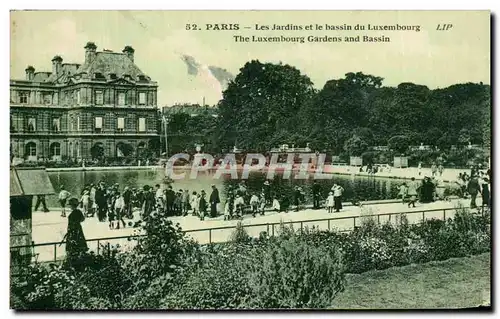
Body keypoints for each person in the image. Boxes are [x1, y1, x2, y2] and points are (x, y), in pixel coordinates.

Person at [65, 198, 88, 266]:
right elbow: (82, 219)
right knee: (79, 242)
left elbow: (72, 223)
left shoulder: (73, 213)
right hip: (78, 229)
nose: (70, 206)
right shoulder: (78, 212)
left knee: (73, 244)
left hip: (73, 230)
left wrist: (71, 229)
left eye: (70, 205)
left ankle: (73, 259)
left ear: (72, 205)